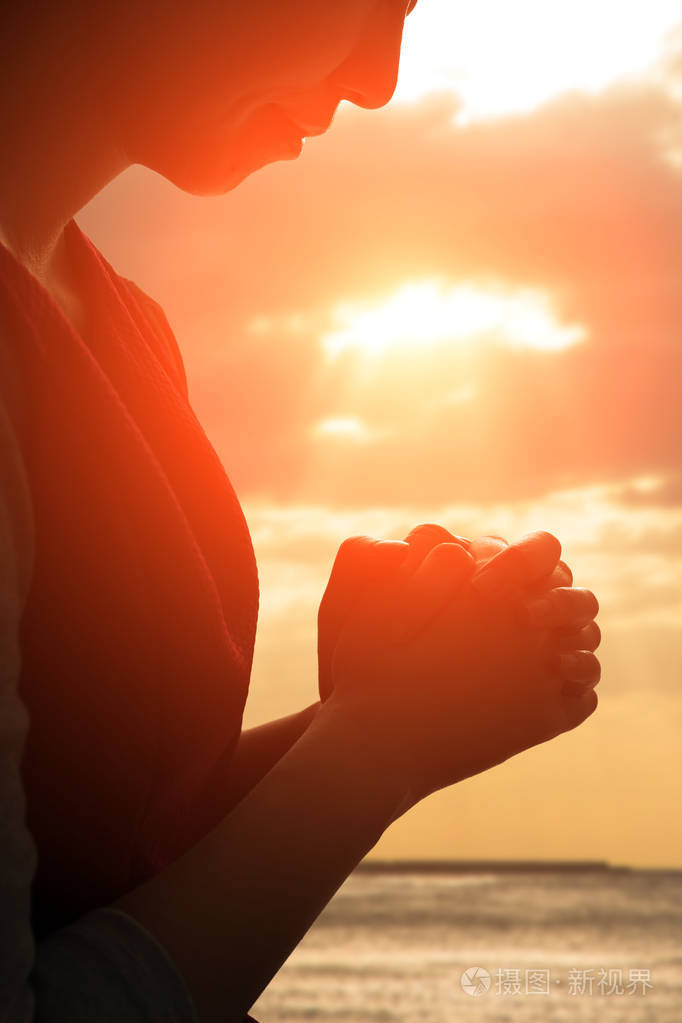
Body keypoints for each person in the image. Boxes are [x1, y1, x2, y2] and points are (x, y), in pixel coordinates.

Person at [0, 3, 601, 1021]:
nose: (378, 77)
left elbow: (98, 847)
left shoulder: (119, 318)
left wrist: (374, 703)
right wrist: (378, 747)